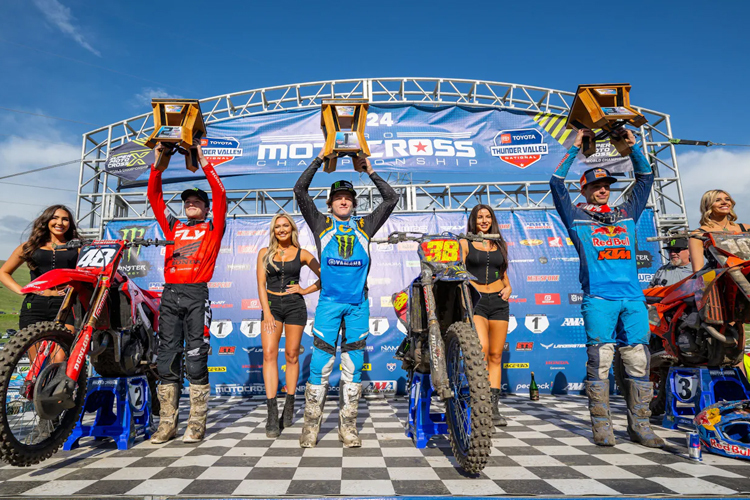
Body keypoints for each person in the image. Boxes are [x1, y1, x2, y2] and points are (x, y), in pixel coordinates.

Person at [550, 128, 663, 448]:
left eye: (606, 185)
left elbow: (645, 180)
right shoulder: (575, 217)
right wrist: (572, 150)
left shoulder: (626, 213)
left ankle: (640, 426)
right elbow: (556, 185)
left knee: (638, 361)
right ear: (584, 190)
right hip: (598, 299)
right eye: (596, 185)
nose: (603, 189)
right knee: (599, 362)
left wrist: (633, 148)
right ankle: (602, 426)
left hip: (633, 299)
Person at [293, 153, 398, 448]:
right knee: (321, 365)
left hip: (357, 306)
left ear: (353, 203)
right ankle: (311, 427)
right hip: (328, 303)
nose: (343, 201)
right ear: (330, 203)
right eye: (338, 197)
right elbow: (300, 191)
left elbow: (391, 200)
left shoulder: (366, 226)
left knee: (353, 367)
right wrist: (318, 161)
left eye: (348, 198)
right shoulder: (320, 224)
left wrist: (371, 172)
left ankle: (348, 427)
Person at [147, 142, 227, 444]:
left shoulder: (213, 227)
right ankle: (167, 423)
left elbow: (220, 194)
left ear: (206, 208)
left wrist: (204, 161)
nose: (192, 202)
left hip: (196, 295)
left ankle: (196, 423)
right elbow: (154, 197)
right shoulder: (173, 227)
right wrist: (160, 163)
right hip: (170, 295)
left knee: (195, 359)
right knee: (167, 358)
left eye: (197, 200)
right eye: (188, 200)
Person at [256, 213, 321, 438]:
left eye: (285, 226)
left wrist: (304, 290)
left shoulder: (302, 254)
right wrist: (266, 312)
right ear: (273, 231)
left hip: (295, 306)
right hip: (271, 306)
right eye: (277, 227)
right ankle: (272, 413)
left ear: (292, 229)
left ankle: (290, 404)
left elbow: (325, 277)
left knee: (292, 355)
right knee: (269, 354)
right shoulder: (264, 253)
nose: (281, 230)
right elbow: (261, 284)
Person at [459, 204, 511, 428]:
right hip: (476, 301)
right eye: (479, 217)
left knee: (496, 355)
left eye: (487, 217)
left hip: (499, 302)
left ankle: (493, 407)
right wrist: (467, 292)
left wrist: (508, 287)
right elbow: (459, 271)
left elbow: (504, 272)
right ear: (473, 220)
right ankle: (478, 401)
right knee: (480, 350)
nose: (484, 220)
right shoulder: (464, 242)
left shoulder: (500, 242)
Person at [0, 205, 79, 336]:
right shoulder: (29, 246)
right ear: (47, 220)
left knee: (60, 355)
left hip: (66, 305)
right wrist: (21, 290)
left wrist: (74, 285)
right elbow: (3, 272)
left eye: (65, 219)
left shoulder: (78, 248)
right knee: (36, 356)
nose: (60, 223)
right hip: (34, 305)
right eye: (55, 218)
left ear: (69, 224)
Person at [689, 190, 748, 272]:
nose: (724, 202)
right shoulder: (699, 234)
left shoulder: (746, 228)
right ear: (707, 206)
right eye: (717, 200)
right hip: (725, 280)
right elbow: (698, 271)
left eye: (727, 199)